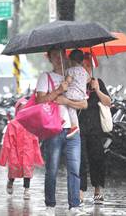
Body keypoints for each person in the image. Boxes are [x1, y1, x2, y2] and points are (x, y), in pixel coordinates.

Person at [36, 48, 88, 215]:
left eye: (61, 55)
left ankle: (74, 205)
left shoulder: (74, 75)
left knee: (74, 169)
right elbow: (40, 100)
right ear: (50, 58)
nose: (59, 59)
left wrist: (65, 100)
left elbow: (84, 104)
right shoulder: (46, 77)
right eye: (54, 56)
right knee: (52, 169)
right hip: (54, 129)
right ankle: (50, 205)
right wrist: (59, 90)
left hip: (73, 130)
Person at [78, 52, 112, 205]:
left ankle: (97, 190)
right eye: (83, 65)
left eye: (88, 66)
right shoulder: (75, 83)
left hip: (95, 128)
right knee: (80, 160)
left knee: (97, 158)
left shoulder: (98, 82)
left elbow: (108, 102)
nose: (86, 68)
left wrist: (97, 90)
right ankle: (80, 191)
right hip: (78, 127)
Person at [0, 97, 44, 200]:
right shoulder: (13, 124)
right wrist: (5, 156)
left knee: (28, 169)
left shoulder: (32, 124)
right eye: (21, 109)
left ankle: (26, 189)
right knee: (14, 168)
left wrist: (37, 154)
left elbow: (35, 140)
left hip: (28, 150)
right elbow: (7, 142)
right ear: (17, 110)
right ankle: (10, 181)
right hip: (15, 151)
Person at [64, 49, 89, 139]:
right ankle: (75, 127)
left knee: (69, 108)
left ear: (70, 60)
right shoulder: (84, 71)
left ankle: (74, 126)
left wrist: (65, 83)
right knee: (73, 110)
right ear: (82, 61)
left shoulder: (70, 70)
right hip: (82, 95)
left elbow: (68, 81)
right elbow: (88, 79)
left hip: (72, 94)